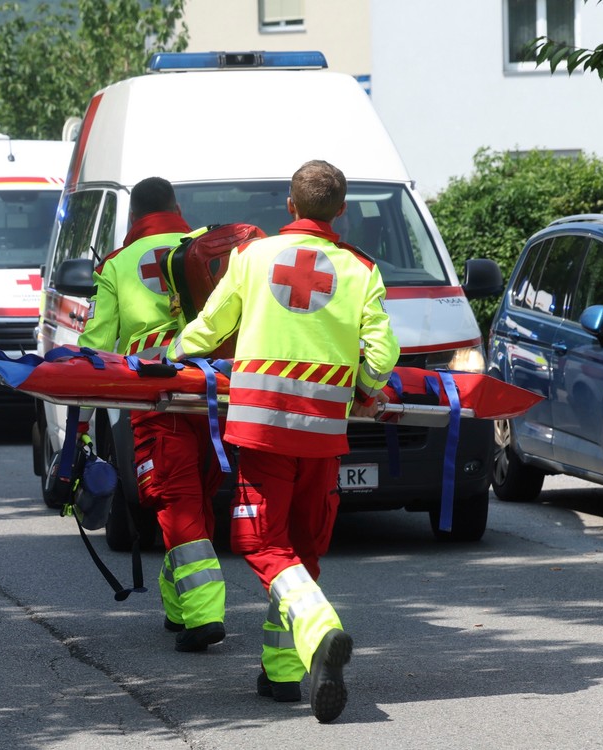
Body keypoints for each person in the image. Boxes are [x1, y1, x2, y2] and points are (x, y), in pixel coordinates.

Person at [167, 160, 400, 722]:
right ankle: (284, 673)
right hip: (323, 434)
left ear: (289, 207)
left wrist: (171, 354)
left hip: (265, 428)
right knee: (302, 547)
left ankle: (321, 629)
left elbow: (213, 327)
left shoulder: (253, 256)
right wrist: (368, 387)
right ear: (341, 210)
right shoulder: (362, 270)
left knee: (262, 544)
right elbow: (381, 355)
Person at [77, 176, 228, 653]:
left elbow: (96, 348)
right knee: (195, 498)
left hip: (155, 398)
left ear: (132, 218)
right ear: (176, 206)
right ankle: (180, 606)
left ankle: (204, 615)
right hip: (210, 392)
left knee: (176, 498)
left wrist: (80, 419)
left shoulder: (117, 265)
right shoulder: (205, 244)